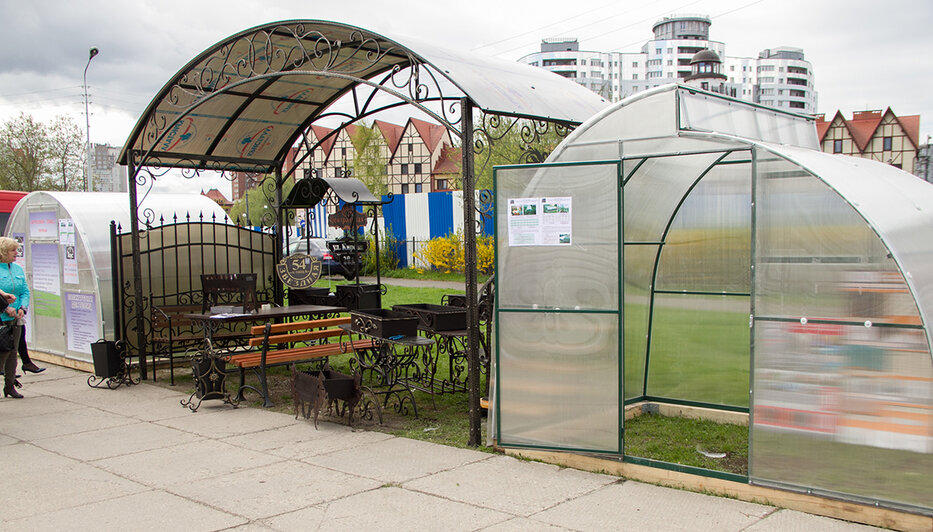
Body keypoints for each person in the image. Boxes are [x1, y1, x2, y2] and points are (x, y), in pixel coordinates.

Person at [0, 237, 29, 398]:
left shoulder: (17, 269)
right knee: (1, 352)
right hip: (2, 317)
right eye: (13, 250)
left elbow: (25, 290)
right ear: (4, 252)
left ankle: (9, 385)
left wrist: (22, 308)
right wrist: (6, 308)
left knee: (13, 351)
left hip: (16, 317)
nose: (16, 253)